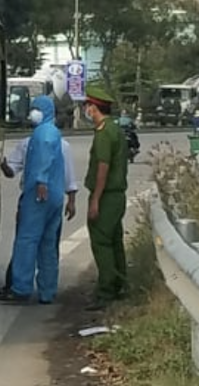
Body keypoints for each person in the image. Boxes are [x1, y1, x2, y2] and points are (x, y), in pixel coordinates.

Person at [0, 113, 78, 298]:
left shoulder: (35, 142)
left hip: (36, 199)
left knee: (26, 242)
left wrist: (41, 182)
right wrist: (71, 201)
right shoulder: (58, 144)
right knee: (49, 246)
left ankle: (20, 288)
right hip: (55, 200)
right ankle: (47, 292)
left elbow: (13, 171)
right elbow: (70, 179)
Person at [83, 85, 129, 311]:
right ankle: (121, 284)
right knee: (115, 242)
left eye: (87, 106)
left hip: (107, 196)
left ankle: (106, 291)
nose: (86, 111)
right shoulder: (115, 130)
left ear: (93, 108)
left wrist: (95, 200)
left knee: (101, 242)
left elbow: (103, 169)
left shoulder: (104, 134)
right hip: (117, 197)